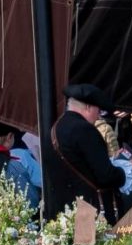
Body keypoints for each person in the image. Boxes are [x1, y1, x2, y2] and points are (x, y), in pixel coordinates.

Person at [48, 86, 123, 221]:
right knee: (94, 242)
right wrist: (123, 172)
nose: (98, 115)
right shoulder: (85, 130)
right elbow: (105, 176)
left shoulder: (55, 128)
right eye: (98, 110)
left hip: (64, 210)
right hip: (89, 210)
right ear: (88, 107)